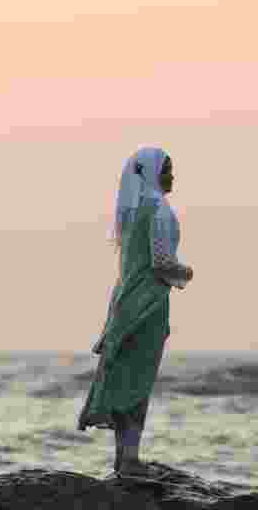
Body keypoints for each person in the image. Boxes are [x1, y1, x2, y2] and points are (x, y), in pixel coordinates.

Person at [77, 147, 193, 478]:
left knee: (124, 374)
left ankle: (123, 457)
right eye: (167, 169)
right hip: (148, 302)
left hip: (124, 301)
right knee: (138, 378)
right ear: (152, 173)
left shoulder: (130, 214)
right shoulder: (158, 209)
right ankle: (130, 459)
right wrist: (188, 273)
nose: (172, 176)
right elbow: (162, 263)